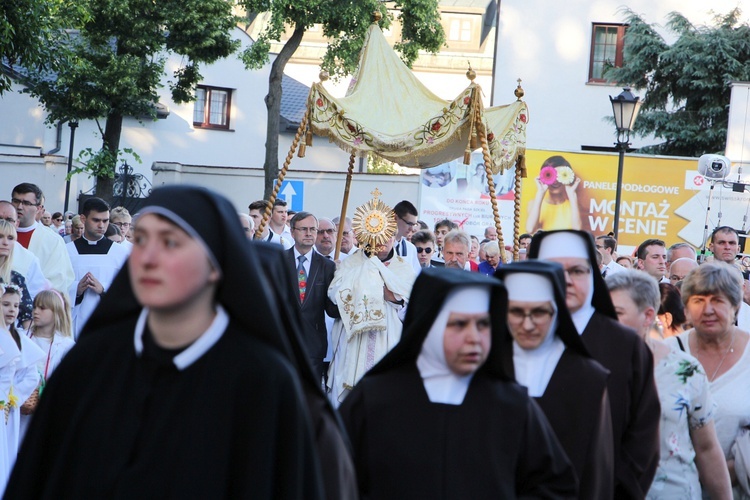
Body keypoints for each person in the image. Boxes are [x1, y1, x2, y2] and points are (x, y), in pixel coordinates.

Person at [6, 185, 324, 498]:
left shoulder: (263, 380)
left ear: (215, 264)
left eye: (170, 242)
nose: (148, 257)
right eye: (141, 239)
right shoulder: (91, 364)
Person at [339, 268, 577, 499]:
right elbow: (334, 481)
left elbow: (556, 486)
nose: (474, 337)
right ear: (429, 326)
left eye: (483, 324)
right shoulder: (375, 399)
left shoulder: (511, 404)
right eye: (459, 324)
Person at [528, 229, 660, 499]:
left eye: (577, 271)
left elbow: (642, 439)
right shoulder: (508, 340)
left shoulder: (625, 346)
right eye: (553, 269)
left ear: (593, 274)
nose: (565, 280)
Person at [606, 270, 732, 499]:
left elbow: (707, 448)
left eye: (616, 313)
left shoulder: (684, 369)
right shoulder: (588, 366)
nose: (606, 320)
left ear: (647, 316)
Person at [496, 261, 613, 499]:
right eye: (516, 312)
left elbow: (596, 470)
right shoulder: (487, 370)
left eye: (539, 312)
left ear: (557, 310)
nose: (527, 325)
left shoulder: (588, 377)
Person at [665, 262, 750, 497]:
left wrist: (725, 472)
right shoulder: (664, 354)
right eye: (698, 301)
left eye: (718, 301)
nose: (708, 309)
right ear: (686, 308)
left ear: (735, 306)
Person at [327, 198, 416, 407]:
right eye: (377, 238)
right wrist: (370, 283)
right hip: (354, 338)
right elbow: (335, 294)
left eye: (387, 237)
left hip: (389, 337)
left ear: (394, 237)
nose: (383, 242)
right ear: (368, 238)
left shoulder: (404, 267)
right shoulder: (351, 263)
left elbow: (407, 300)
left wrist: (392, 294)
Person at [66, 198, 129, 338]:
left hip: (108, 324)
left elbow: (129, 289)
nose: (101, 225)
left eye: (105, 220)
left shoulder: (121, 253)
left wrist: (103, 289)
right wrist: (76, 289)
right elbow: (56, 286)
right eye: (96, 220)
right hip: (73, 322)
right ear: (83, 219)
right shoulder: (66, 251)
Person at [287, 212, 339, 381]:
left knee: (309, 399)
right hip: (284, 342)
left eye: (312, 229)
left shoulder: (327, 266)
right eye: (303, 229)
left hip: (313, 344)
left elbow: (331, 309)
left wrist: (349, 298)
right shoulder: (278, 261)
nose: (309, 233)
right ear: (292, 231)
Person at [18, 290, 76, 442]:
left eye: (42, 308)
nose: (35, 311)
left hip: (47, 411)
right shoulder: (21, 337)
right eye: (35, 307)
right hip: (18, 409)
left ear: (56, 312)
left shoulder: (66, 346)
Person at [11, 183, 75, 297]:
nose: (19, 207)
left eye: (26, 203)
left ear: (38, 208)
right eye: (16, 201)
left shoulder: (52, 240)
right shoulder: (3, 233)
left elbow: (58, 281)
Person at [526, 155, 583, 233]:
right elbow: (530, 230)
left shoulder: (573, 205)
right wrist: (540, 192)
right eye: (551, 175)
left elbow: (577, 231)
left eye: (560, 175)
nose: (555, 181)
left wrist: (572, 195)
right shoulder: (534, 204)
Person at [0, 220, 33, 329]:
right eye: (0, 236)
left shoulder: (17, 278)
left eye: (10, 238)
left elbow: (27, 319)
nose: (5, 242)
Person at [392, 201, 421, 274]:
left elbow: (416, 276)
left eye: (414, 225)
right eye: (409, 224)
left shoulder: (411, 248)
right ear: (395, 218)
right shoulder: (381, 245)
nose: (412, 229)